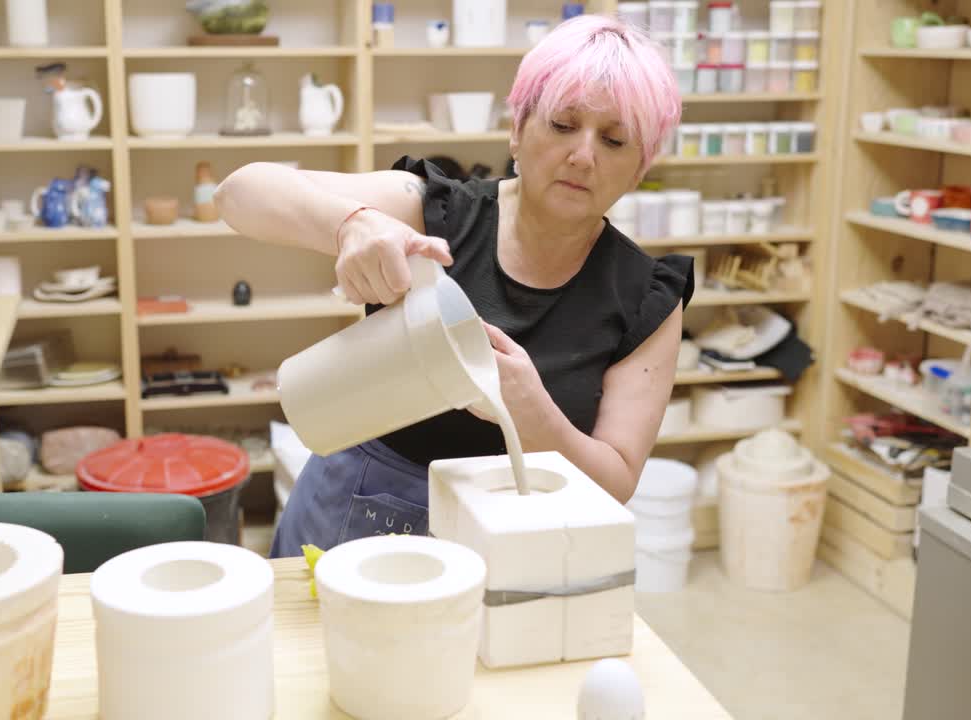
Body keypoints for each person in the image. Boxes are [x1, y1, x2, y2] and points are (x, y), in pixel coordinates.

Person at [214, 14, 692, 559]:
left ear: (638, 169)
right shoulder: (436, 211)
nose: (584, 155)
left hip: (513, 540)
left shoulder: (645, 296)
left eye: (613, 140)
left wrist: (533, 412)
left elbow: (615, 483)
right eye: (563, 125)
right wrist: (353, 224)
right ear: (517, 128)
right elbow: (238, 193)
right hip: (355, 513)